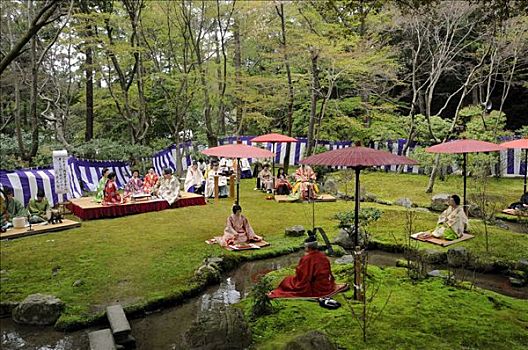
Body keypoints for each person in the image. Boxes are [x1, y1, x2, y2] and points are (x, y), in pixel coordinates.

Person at [268, 236, 336, 298]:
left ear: (308, 247)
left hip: (315, 287)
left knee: (287, 281)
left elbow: (302, 275)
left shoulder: (306, 258)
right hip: (326, 285)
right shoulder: (323, 256)